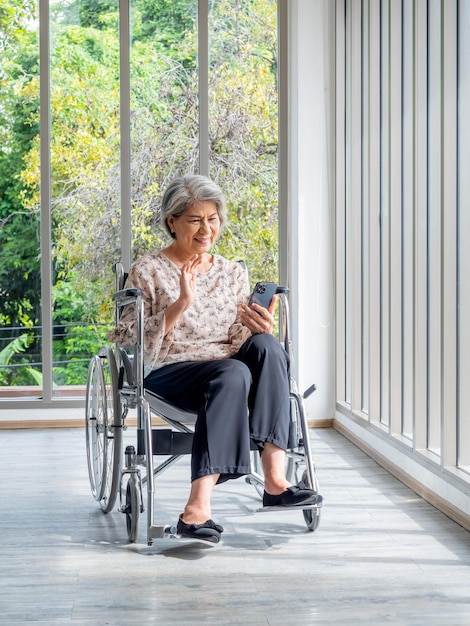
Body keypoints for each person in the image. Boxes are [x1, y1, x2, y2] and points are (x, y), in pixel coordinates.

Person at [108, 174, 317, 543]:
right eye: (195, 220)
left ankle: (275, 480)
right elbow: (127, 339)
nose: (207, 229)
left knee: (268, 348)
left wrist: (258, 327)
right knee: (232, 372)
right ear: (172, 222)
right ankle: (197, 508)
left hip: (228, 369)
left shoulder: (231, 271)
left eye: (213, 219)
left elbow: (236, 339)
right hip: (170, 371)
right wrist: (180, 304)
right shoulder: (148, 270)